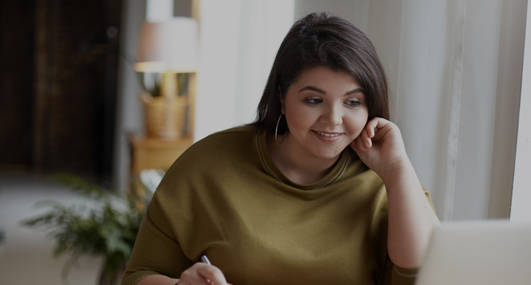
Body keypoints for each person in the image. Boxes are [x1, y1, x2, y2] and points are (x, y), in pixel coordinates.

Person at [122, 12, 440, 285]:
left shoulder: (388, 182)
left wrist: (397, 169)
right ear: (282, 98)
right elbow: (138, 275)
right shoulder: (207, 165)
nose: (333, 119)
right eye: (313, 100)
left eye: (353, 102)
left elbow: (428, 272)